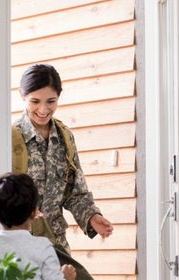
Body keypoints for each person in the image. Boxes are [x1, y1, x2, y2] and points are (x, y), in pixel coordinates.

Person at [14, 63, 113, 253]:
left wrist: (91, 217)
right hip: (19, 247)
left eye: (51, 101)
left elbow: (75, 192)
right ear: (22, 95)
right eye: (35, 101)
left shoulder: (64, 138)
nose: (43, 109)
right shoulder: (10, 139)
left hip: (56, 245)